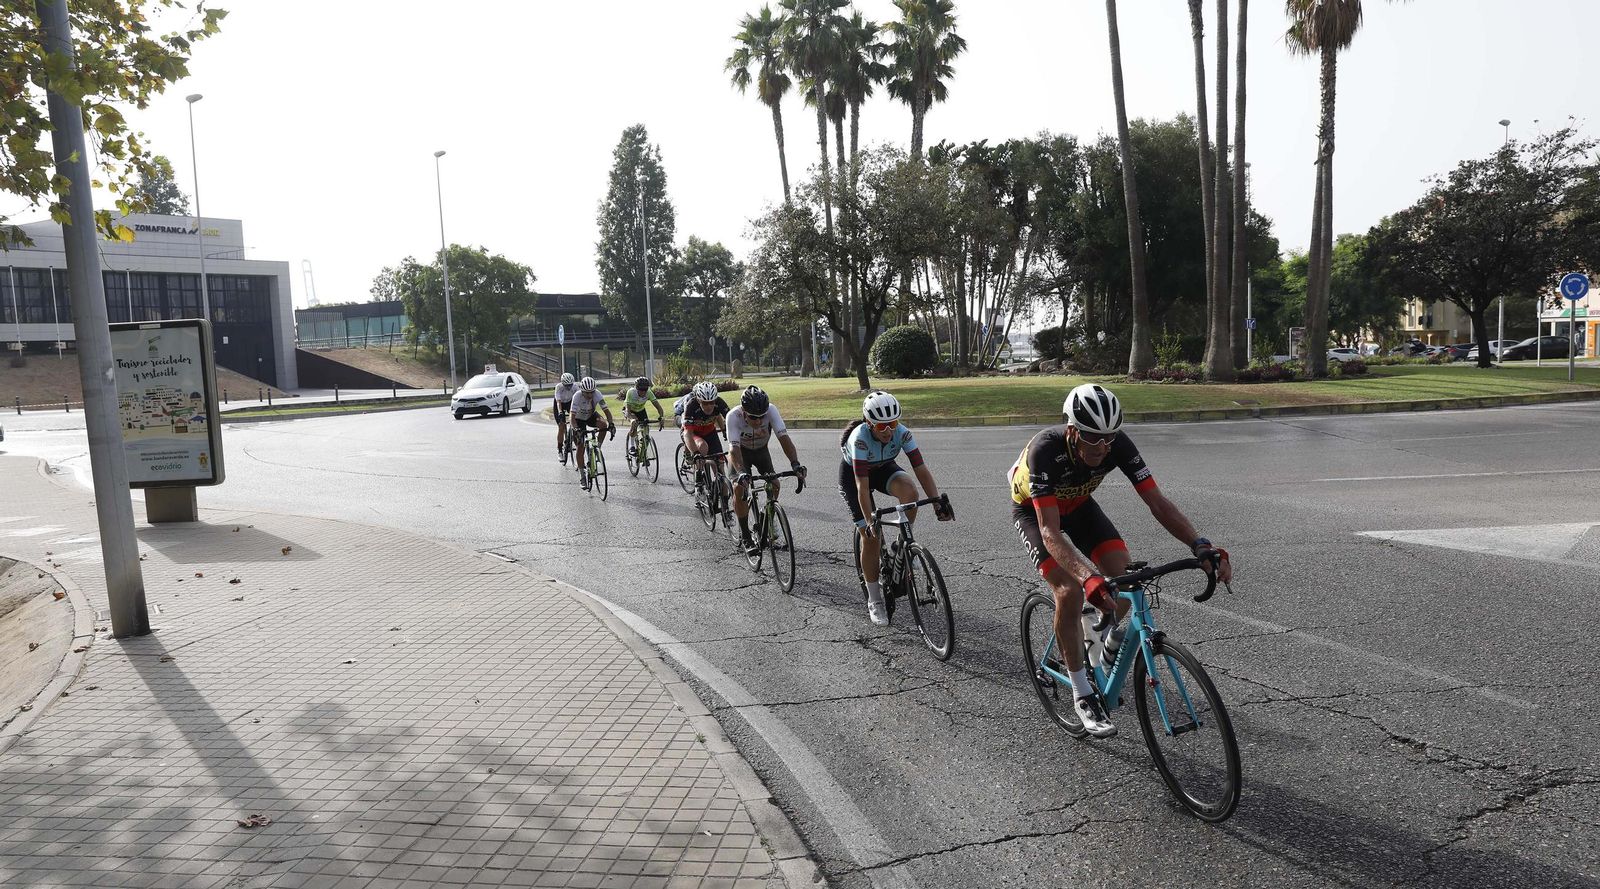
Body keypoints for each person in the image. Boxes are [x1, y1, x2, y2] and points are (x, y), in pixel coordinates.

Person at [1009, 383, 1231, 738]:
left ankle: (1102, 643)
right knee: (1069, 591)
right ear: (1072, 430)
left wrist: (1199, 544)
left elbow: (1156, 501)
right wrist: (1085, 577)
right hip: (1036, 515)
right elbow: (1050, 532)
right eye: (1092, 437)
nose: (1102, 446)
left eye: (1109, 437)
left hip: (1080, 508)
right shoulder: (1045, 451)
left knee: (1124, 580)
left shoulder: (1117, 445)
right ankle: (1083, 694)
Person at [840, 390, 952, 627]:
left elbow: (920, 468)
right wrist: (870, 522)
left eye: (892, 423)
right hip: (855, 477)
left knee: (910, 492)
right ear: (869, 424)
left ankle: (901, 543)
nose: (889, 431)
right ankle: (874, 599)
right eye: (882, 427)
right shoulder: (859, 438)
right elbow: (862, 487)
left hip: (882, 468)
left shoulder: (902, 433)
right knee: (871, 538)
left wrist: (936, 502)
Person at [727, 386, 806, 554]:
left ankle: (768, 520)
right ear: (744, 411)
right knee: (739, 488)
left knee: (775, 484)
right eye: (754, 417)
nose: (758, 421)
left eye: (761, 416)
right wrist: (741, 472)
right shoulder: (733, 416)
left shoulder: (771, 410)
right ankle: (746, 537)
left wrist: (795, 464)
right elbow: (733, 450)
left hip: (761, 451)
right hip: (741, 453)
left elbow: (784, 438)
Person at [567, 376, 614, 491]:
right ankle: (582, 475)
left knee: (603, 425)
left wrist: (611, 424)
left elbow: (607, 412)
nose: (589, 395)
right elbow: (571, 417)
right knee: (581, 446)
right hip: (578, 419)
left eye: (591, 392)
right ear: (582, 391)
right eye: (587, 393)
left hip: (590, 415)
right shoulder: (577, 396)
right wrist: (576, 429)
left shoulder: (597, 394)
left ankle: (597, 448)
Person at [622, 377, 664, 462]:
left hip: (641, 411)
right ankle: (632, 446)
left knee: (646, 433)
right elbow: (628, 411)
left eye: (645, 389)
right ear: (637, 388)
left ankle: (642, 453)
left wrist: (661, 417)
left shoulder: (649, 393)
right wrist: (632, 420)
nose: (643, 392)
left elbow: (659, 407)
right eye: (641, 390)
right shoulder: (631, 392)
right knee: (634, 422)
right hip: (630, 410)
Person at [552, 373, 578, 462]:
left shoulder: (575, 387)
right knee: (561, 426)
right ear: (563, 384)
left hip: (570, 402)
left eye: (570, 385)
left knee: (575, 421)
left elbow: (577, 400)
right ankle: (559, 450)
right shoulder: (558, 387)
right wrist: (560, 412)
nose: (569, 387)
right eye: (567, 386)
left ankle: (573, 439)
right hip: (560, 404)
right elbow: (558, 402)